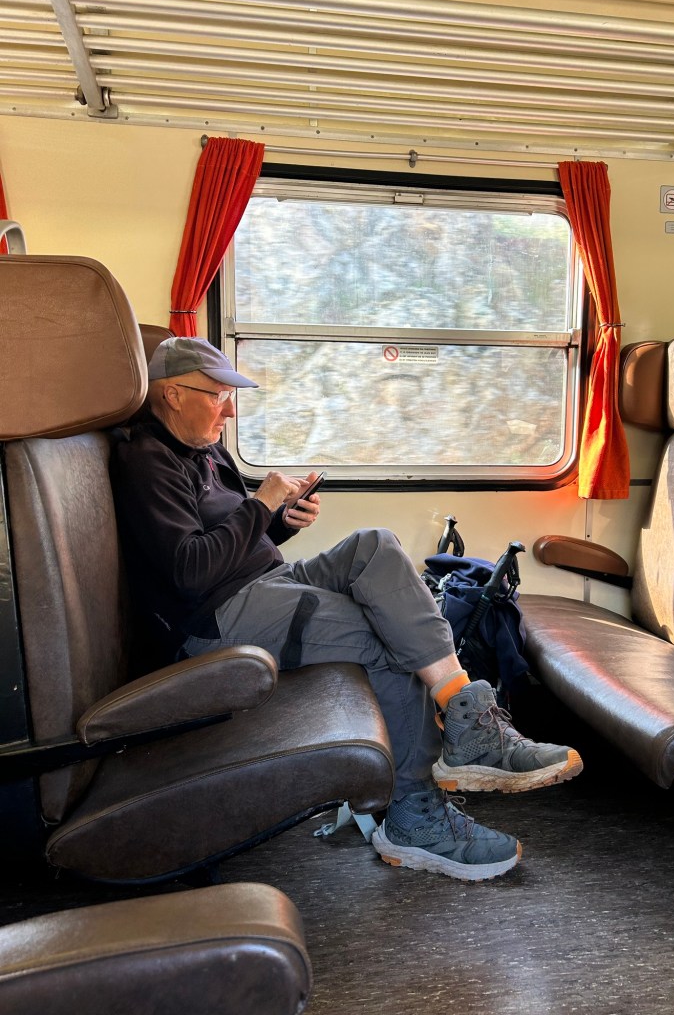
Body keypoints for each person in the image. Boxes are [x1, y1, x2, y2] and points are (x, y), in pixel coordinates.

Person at [111, 337, 583, 883]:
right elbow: (191, 570)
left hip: (267, 582)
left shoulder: (207, 450)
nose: (230, 410)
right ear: (172, 394)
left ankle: (467, 716)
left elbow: (231, 539)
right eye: (218, 396)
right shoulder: (146, 462)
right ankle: (411, 816)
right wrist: (260, 504)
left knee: (374, 545)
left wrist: (279, 522)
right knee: (384, 636)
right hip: (216, 617)